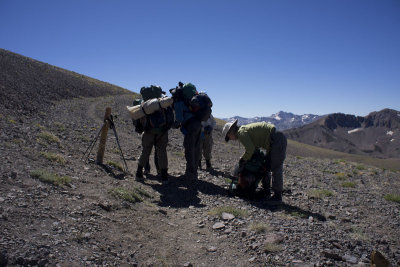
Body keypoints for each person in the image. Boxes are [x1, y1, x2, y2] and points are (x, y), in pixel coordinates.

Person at [222, 119, 287, 201]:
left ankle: (277, 197)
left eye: (228, 137)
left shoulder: (241, 133)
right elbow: (253, 148)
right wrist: (245, 157)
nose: (230, 139)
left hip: (276, 140)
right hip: (274, 140)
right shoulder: (243, 131)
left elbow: (250, 149)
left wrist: (243, 159)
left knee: (276, 167)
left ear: (230, 132)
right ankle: (267, 190)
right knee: (266, 165)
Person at [135, 86, 173, 183]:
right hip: (162, 132)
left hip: (148, 132)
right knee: (162, 152)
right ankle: (164, 176)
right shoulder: (162, 103)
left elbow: (138, 119)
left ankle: (139, 173)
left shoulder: (144, 104)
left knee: (145, 151)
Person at [171, 82, 203, 179]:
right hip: (199, 125)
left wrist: (173, 125)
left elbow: (179, 119)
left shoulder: (179, 103)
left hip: (190, 127)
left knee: (189, 149)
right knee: (197, 148)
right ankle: (194, 172)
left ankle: (190, 174)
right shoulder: (194, 101)